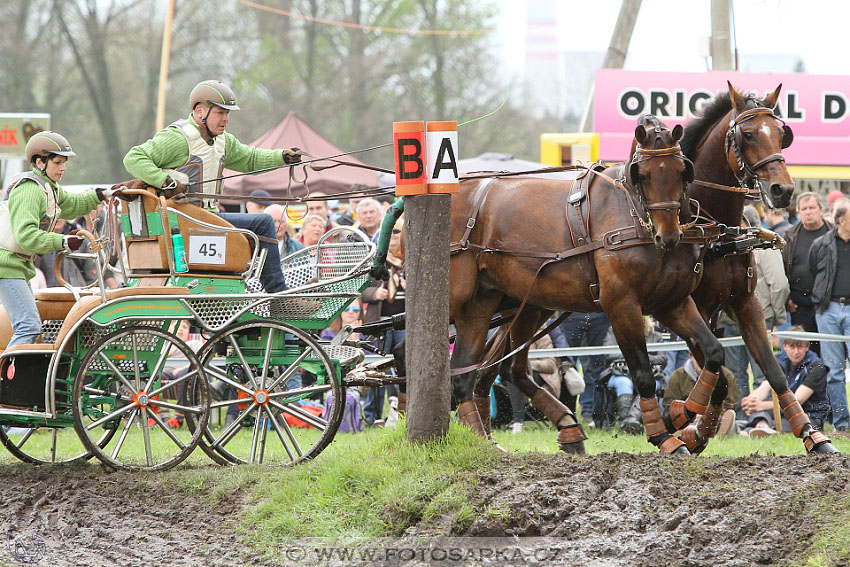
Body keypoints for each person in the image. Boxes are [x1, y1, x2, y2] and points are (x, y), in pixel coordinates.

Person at [123, 80, 300, 294]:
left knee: (256, 226)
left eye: (228, 114)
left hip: (207, 220)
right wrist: (165, 181)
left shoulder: (223, 141)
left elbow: (250, 159)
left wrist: (282, 157)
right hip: (185, 222)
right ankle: (279, 295)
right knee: (263, 222)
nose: (226, 119)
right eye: (220, 113)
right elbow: (133, 158)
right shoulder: (178, 138)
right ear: (200, 112)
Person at [0, 131, 121, 347]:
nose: (63, 168)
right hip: (6, 266)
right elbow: (26, 235)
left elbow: (75, 204)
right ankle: (6, 379)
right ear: (40, 162)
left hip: (16, 266)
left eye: (64, 162)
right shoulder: (29, 189)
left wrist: (107, 193)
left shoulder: (49, 189)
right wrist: (62, 242)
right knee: (28, 326)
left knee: (30, 326)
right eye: (57, 162)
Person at [739, 326, 829, 436]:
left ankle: (755, 427)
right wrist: (751, 401)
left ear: (807, 346)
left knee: (793, 422)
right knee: (757, 409)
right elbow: (766, 385)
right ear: (785, 346)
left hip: (807, 414)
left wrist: (762, 405)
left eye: (800, 347)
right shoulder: (779, 361)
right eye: (792, 347)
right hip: (783, 411)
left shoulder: (817, 366)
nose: (796, 352)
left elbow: (798, 400)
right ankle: (762, 427)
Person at [808, 201, 850, 431]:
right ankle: (842, 424)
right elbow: (813, 269)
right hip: (829, 310)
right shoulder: (821, 244)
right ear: (841, 220)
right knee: (833, 370)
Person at [361, 218, 406, 426]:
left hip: (404, 322)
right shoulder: (375, 262)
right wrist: (373, 292)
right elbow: (360, 289)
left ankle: (402, 411)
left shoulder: (408, 261)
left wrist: (410, 285)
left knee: (403, 367)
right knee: (375, 367)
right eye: (392, 233)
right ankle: (372, 416)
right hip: (381, 321)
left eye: (398, 233)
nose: (394, 238)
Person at [597, 317, 666, 433]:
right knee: (624, 383)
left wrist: (637, 356)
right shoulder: (614, 331)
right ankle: (626, 422)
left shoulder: (656, 336)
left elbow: (663, 359)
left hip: (650, 374)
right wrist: (637, 356)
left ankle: (632, 421)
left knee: (648, 384)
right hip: (621, 373)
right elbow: (609, 354)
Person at [783, 192, 831, 354]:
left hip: (829, 304)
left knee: (829, 352)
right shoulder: (790, 237)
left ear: (821, 210)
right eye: (803, 208)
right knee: (802, 352)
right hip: (799, 306)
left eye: (812, 207)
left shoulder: (834, 234)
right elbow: (782, 270)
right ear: (798, 212)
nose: (808, 212)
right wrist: (787, 299)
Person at [663, 352, 739, 436]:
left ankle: (718, 437)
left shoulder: (726, 375)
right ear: (691, 356)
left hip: (715, 419)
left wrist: (709, 413)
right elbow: (669, 404)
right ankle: (685, 436)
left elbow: (731, 404)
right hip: (688, 421)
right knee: (675, 421)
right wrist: (690, 414)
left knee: (730, 414)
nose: (702, 363)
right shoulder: (678, 376)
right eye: (698, 359)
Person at [559, 312, 611, 425]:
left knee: (601, 369)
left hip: (597, 312)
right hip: (571, 311)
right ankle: (567, 417)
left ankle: (601, 418)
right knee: (567, 367)